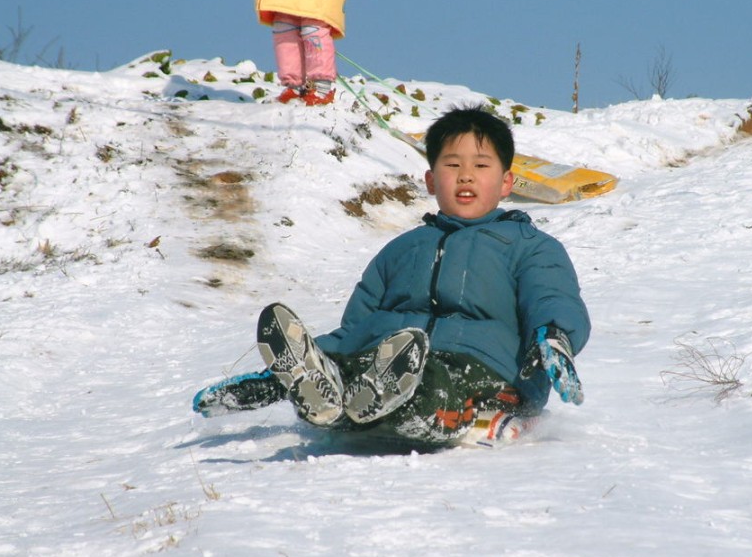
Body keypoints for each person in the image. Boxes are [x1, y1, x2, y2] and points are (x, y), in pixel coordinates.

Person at [194, 106, 590, 444]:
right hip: (389, 359)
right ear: (431, 180)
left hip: (486, 370)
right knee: (354, 365)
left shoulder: (528, 245)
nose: (466, 176)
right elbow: (358, 327)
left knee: (431, 378)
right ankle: (324, 389)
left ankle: (381, 398)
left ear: (506, 183)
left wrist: (554, 337)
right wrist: (297, 368)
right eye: (452, 165)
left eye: (481, 166)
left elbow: (552, 296)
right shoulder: (402, 249)